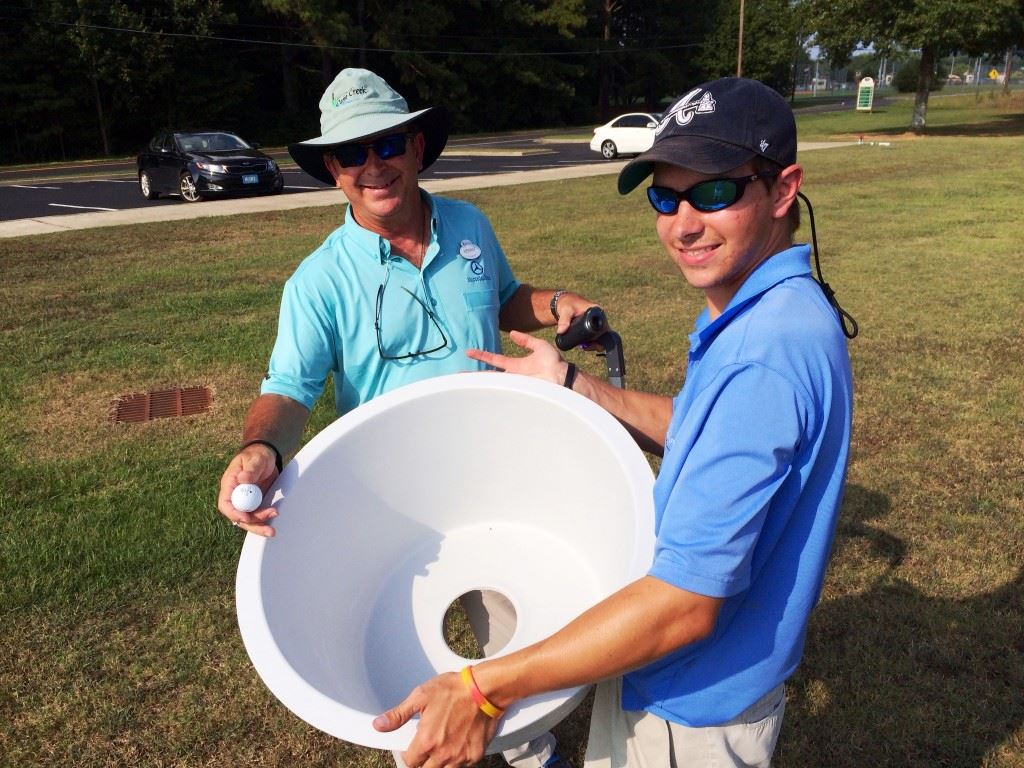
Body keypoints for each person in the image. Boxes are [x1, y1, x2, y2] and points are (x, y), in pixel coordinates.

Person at [372, 77, 855, 768]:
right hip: (699, 682)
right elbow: (697, 426)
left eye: (715, 192)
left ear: (783, 191)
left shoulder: (763, 355)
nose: (683, 222)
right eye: (666, 194)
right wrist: (572, 384)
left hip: (688, 705)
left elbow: (684, 604)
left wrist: (483, 688)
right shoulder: (773, 309)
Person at [215, 68, 593, 768]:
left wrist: (555, 302)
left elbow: (503, 298)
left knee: (515, 630)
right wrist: (261, 445)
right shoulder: (318, 281)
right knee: (401, 649)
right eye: (351, 153)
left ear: (416, 146)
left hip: (495, 475)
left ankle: (528, 746)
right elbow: (289, 387)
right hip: (392, 500)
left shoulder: (470, 225)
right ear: (333, 170)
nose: (373, 165)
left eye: (386, 142)